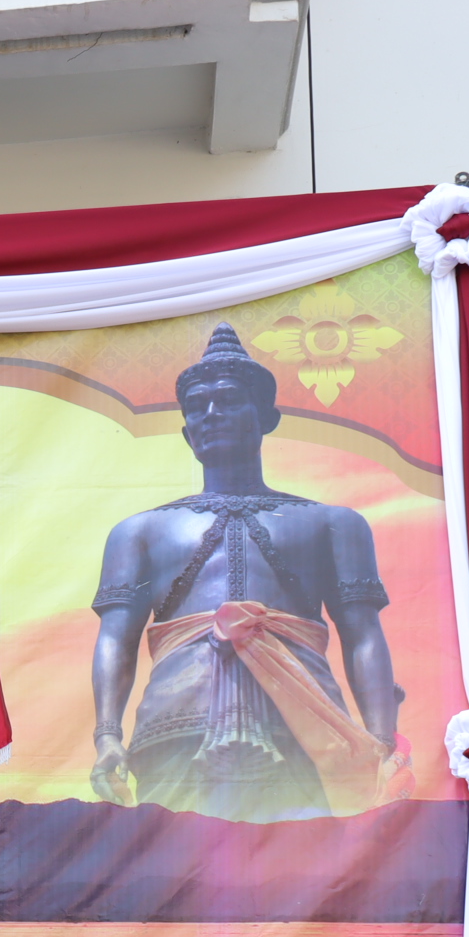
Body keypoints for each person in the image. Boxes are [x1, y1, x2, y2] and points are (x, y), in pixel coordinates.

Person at [89, 322, 406, 821]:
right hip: (176, 725)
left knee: (304, 855)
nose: (211, 414)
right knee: (175, 857)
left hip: (304, 721)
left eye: (230, 400)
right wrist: (108, 737)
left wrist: (381, 738)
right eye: (197, 406)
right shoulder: (139, 532)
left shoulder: (334, 524)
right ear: (186, 431)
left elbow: (363, 634)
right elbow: (115, 639)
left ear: (267, 417)